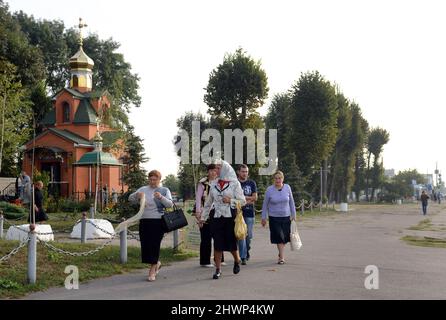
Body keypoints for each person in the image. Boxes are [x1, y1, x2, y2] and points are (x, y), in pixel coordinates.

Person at [199, 160, 246, 279]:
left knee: (231, 244)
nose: (216, 170)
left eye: (219, 168)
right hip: (216, 217)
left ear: (225, 169)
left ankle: (236, 260)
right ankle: (218, 269)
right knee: (218, 244)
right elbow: (209, 203)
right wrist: (203, 218)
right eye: (216, 168)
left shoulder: (235, 183)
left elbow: (243, 201)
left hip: (230, 217)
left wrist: (231, 200)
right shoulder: (213, 183)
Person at [128, 170, 174, 282]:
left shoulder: (164, 190)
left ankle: (152, 270)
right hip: (144, 220)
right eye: (150, 179)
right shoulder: (143, 189)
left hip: (158, 221)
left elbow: (170, 204)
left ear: (159, 180)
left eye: (155, 179)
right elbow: (130, 199)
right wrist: (136, 195)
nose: (152, 182)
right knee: (146, 245)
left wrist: (161, 198)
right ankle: (157, 263)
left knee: (154, 245)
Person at [261, 171, 296, 265]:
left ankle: (280, 253)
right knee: (279, 237)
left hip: (286, 217)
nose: (277, 180)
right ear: (274, 179)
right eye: (276, 178)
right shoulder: (269, 190)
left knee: (284, 238)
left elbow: (291, 202)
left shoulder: (287, 187)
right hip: (274, 218)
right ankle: (282, 257)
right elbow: (265, 204)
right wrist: (263, 217)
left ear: (282, 179)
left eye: (279, 178)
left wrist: (294, 215)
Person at [194, 164, 225, 267]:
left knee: (219, 236)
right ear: (208, 171)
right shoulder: (203, 183)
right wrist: (198, 212)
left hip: (218, 212)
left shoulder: (221, 181)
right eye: (211, 170)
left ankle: (219, 259)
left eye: (215, 170)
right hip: (205, 213)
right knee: (206, 237)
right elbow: (198, 198)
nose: (213, 172)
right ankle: (205, 261)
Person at [236, 164, 258, 265]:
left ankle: (246, 250)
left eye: (246, 172)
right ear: (238, 172)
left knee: (248, 236)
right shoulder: (235, 183)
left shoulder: (251, 183)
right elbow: (234, 198)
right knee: (241, 235)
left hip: (249, 213)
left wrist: (242, 199)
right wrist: (248, 198)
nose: (245, 174)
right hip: (237, 213)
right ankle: (243, 256)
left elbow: (255, 198)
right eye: (243, 171)